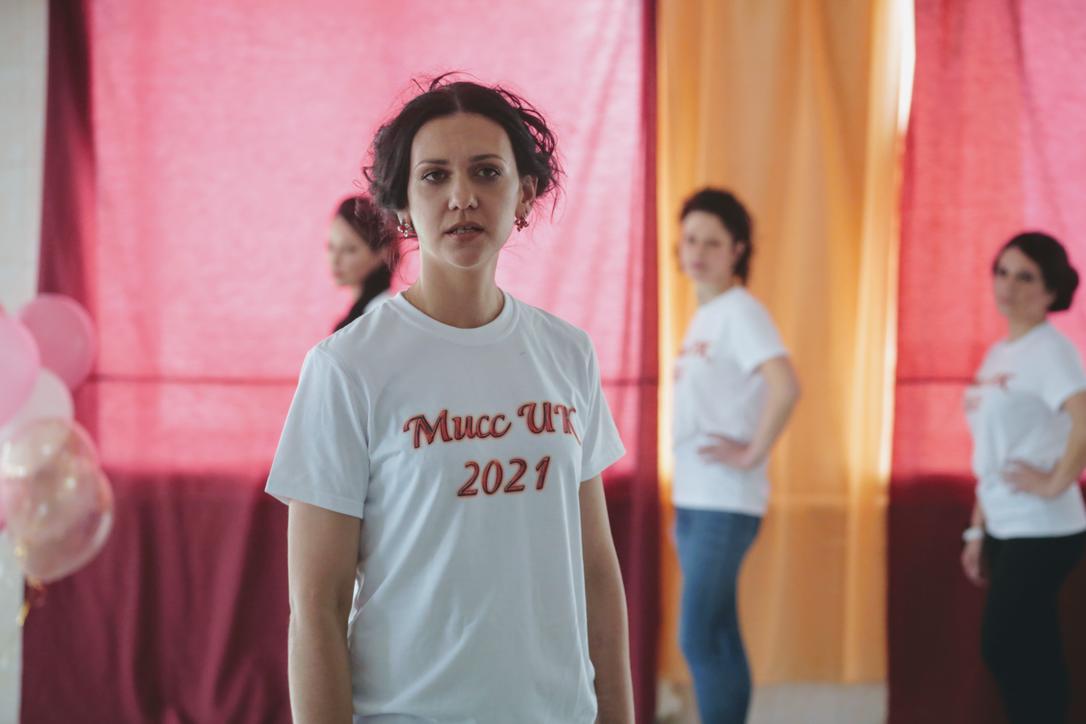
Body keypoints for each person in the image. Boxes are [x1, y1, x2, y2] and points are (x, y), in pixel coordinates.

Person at [266, 76, 634, 724]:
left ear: (524, 194)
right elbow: (316, 608)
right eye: (434, 176)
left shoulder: (567, 353)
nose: (462, 196)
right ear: (402, 207)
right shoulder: (345, 368)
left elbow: (598, 573)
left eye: (487, 172)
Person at [671, 188, 801, 724]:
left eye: (712, 242)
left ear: (737, 250)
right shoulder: (705, 316)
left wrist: (751, 454)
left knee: (698, 634)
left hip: (725, 502)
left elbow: (786, 385)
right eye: (690, 240)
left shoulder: (740, 312)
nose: (697, 252)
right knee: (719, 633)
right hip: (694, 498)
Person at [960, 232, 1086, 724]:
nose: (1008, 286)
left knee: (1005, 645)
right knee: (1030, 649)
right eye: (1002, 272)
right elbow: (991, 451)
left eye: (1025, 277)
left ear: (1051, 291)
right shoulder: (999, 354)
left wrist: (1056, 483)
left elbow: (1083, 418)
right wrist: (976, 530)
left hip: (1043, 527)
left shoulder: (1050, 351)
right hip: (1004, 524)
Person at [327, 195, 396, 331]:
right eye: (331, 247)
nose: (335, 260)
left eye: (349, 250)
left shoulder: (383, 317)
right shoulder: (365, 313)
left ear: (382, 252)